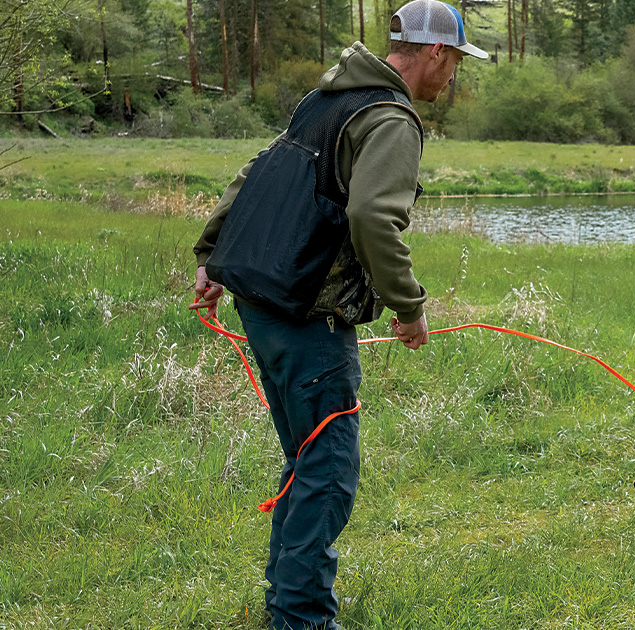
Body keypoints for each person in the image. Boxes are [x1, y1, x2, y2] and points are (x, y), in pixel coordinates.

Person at [188, 2, 487, 628]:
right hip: (308, 318)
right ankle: (302, 616)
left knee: (305, 458)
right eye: (456, 60)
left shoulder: (328, 97)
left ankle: (285, 601)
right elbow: (373, 217)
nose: (453, 75)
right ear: (435, 52)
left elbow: (257, 173)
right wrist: (410, 306)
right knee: (326, 472)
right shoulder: (390, 117)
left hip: (262, 309)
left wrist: (213, 254)